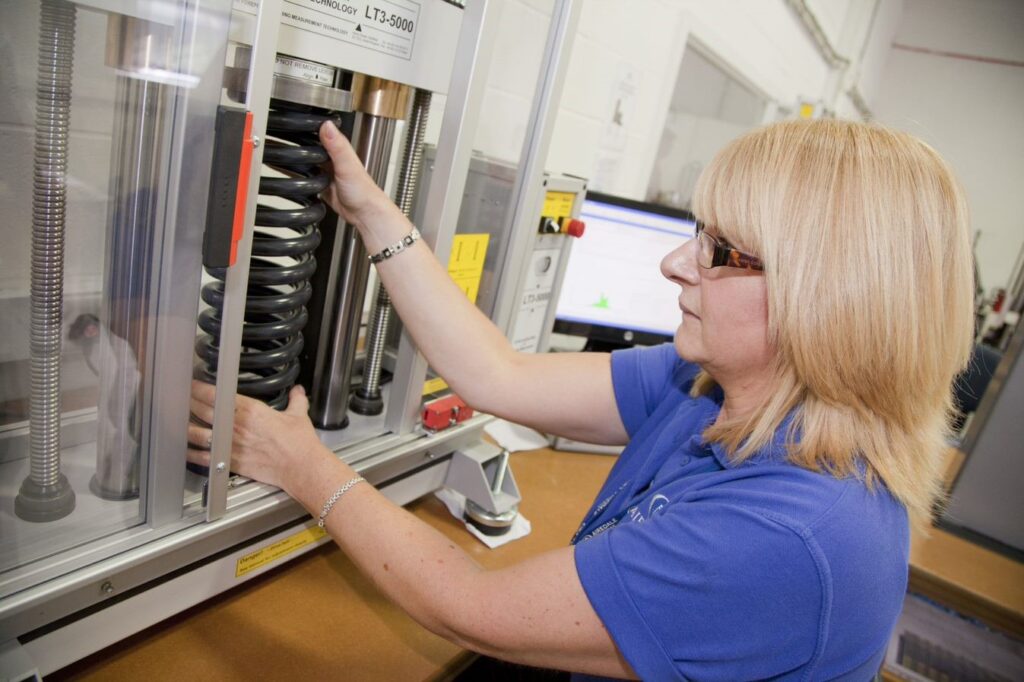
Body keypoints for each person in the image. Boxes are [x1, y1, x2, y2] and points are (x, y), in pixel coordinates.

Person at [188, 118, 974, 680]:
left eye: (720, 252)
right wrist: (372, 214)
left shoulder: (786, 535)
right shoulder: (716, 390)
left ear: (831, 298)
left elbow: (467, 605)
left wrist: (303, 465)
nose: (674, 263)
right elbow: (498, 376)